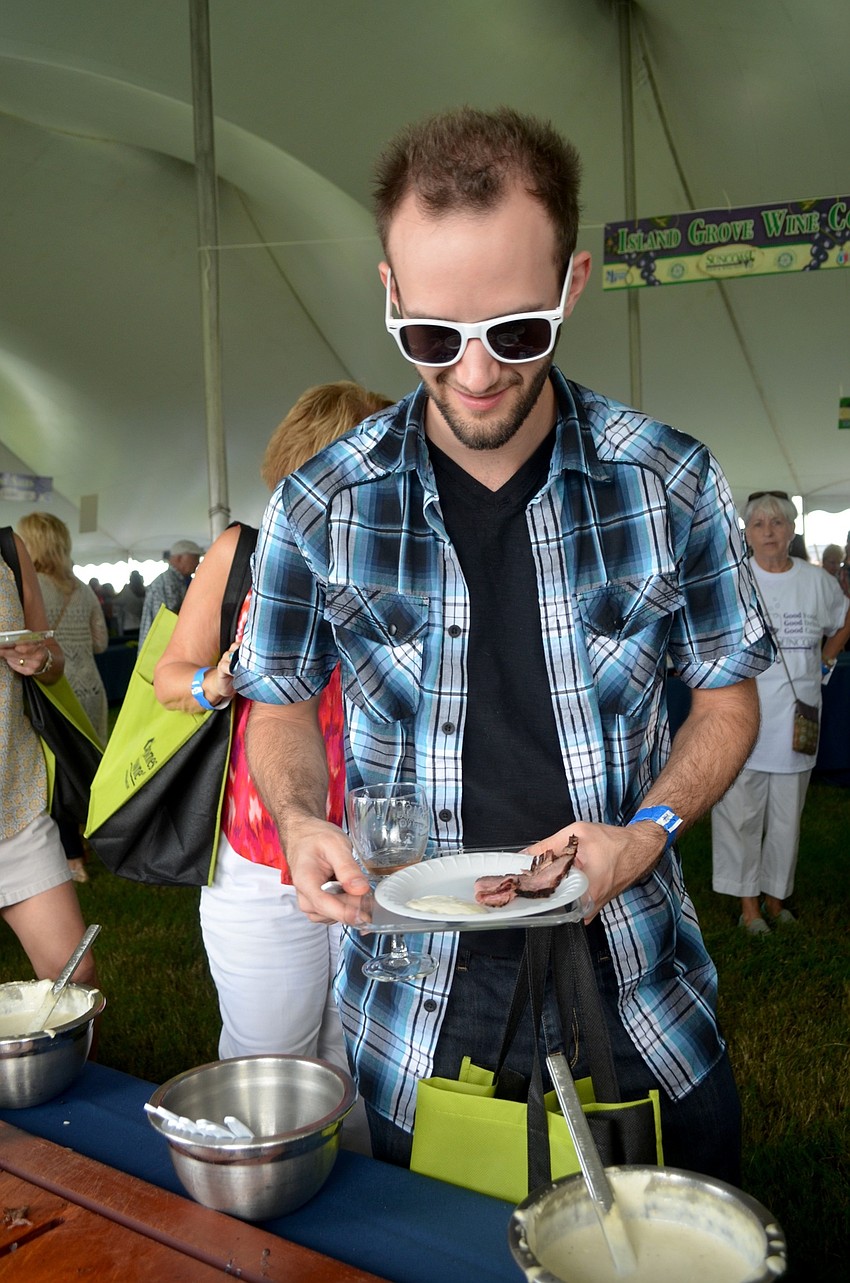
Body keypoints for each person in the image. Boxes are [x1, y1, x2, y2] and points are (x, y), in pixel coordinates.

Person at [232, 107, 773, 1185]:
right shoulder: (320, 505)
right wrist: (298, 820)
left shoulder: (667, 481)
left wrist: (651, 829)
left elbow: (726, 700)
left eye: (516, 331)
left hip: (636, 982)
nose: (475, 373)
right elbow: (282, 705)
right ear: (390, 294)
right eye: (432, 337)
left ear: (571, 285)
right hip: (420, 998)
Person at [154, 384, 390, 1148]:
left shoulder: (406, 559)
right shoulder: (243, 552)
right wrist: (214, 681)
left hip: (380, 852)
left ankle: (347, 1229)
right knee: (270, 1055)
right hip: (260, 852)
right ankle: (260, 1209)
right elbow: (170, 676)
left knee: (365, 1059)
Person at [712, 492, 850, 934]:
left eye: (777, 523)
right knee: (741, 812)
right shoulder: (732, 580)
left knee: (788, 815)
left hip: (798, 716)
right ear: (746, 533)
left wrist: (826, 661)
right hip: (742, 715)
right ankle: (748, 907)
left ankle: (776, 900)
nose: (769, 531)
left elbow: (843, 621)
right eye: (759, 524)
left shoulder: (817, 582)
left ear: (792, 530)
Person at [0, 529, 98, 989]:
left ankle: (74, 1066)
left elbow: (52, 657)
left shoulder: (7, 547)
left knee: (74, 975)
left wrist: (40, 658)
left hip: (14, 801)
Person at [17, 513, 109, 884]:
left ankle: (71, 857)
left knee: (57, 776)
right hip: (92, 686)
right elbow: (101, 641)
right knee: (90, 765)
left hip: (55, 691)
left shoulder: (29, 586)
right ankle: (101, 836)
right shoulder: (84, 587)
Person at [138, 539, 203, 645]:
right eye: (195, 558)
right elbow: (169, 620)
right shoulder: (168, 582)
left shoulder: (177, 580)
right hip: (161, 647)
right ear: (179, 558)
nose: (197, 562)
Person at [113, 570, 146, 636]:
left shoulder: (126, 589)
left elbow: (116, 601)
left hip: (128, 626)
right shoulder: (144, 591)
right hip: (142, 625)